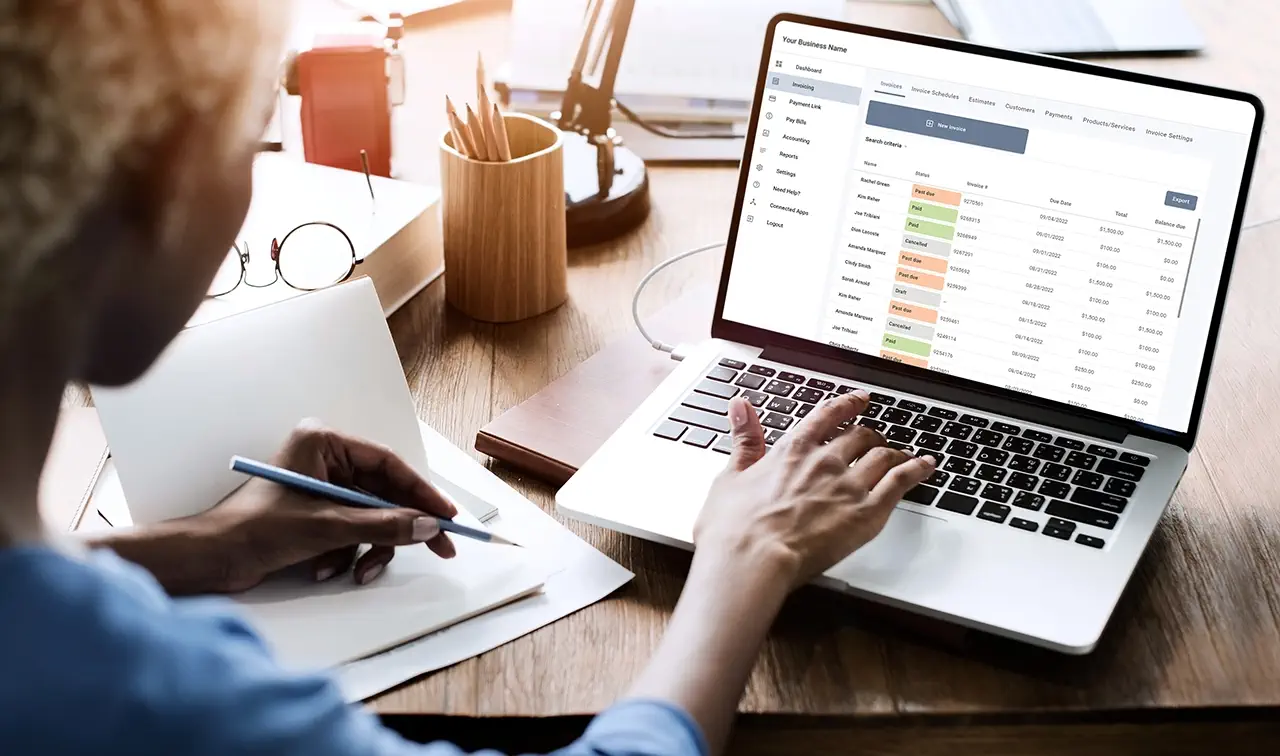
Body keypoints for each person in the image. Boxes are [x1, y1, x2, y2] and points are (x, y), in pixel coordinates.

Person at [0, 2, 935, 754]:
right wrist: (746, 558)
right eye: (252, 142)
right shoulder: (163, 700)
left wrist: (204, 547)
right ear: (149, 193)